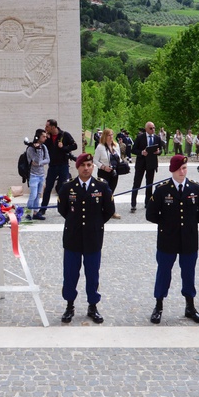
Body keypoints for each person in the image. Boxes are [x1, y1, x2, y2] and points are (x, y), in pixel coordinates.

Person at [146, 154, 199, 324]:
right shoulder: (162, 190)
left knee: (189, 273)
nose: (183, 171)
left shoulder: (195, 188)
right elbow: (151, 214)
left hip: (189, 239)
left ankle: (190, 306)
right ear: (173, 170)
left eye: (185, 168)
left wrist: (190, 222)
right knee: (163, 272)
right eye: (180, 169)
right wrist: (167, 224)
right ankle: (158, 305)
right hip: (167, 238)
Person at [57, 154, 116, 324]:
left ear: (93, 166)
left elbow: (109, 210)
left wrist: (95, 224)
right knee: (70, 274)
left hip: (93, 238)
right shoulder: (68, 187)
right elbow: (63, 210)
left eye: (89, 165)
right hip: (73, 238)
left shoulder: (101, 187)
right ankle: (69, 305)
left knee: (92, 274)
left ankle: (93, 306)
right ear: (77, 167)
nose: (86, 168)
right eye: (83, 165)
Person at [37, 119, 77, 217]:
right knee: (48, 188)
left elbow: (74, 146)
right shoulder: (47, 137)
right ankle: (43, 209)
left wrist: (64, 147)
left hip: (63, 165)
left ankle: (65, 208)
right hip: (52, 166)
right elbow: (41, 147)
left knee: (64, 188)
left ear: (53, 127)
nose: (45, 128)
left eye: (47, 126)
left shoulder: (64, 135)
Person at [130, 121, 163, 213]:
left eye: (154, 128)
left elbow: (160, 149)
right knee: (137, 183)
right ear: (146, 129)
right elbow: (133, 150)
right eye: (151, 128)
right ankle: (133, 203)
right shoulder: (140, 137)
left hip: (151, 164)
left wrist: (158, 152)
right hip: (141, 164)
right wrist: (141, 152)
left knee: (149, 184)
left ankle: (147, 203)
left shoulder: (157, 138)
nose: (153, 130)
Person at [93, 128, 122, 219]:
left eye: (112, 134)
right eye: (109, 135)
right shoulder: (100, 147)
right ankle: (100, 210)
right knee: (104, 192)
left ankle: (111, 211)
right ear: (105, 136)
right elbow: (95, 160)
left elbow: (119, 158)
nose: (111, 137)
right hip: (103, 172)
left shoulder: (116, 146)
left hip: (114, 172)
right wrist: (103, 167)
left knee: (111, 192)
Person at [25, 128, 50, 220]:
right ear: (38, 137)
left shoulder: (44, 147)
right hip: (33, 175)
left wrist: (40, 163)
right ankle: (28, 212)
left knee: (39, 194)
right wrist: (38, 150)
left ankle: (35, 212)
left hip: (41, 175)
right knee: (33, 194)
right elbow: (35, 160)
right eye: (43, 136)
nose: (45, 138)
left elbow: (47, 159)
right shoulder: (31, 148)